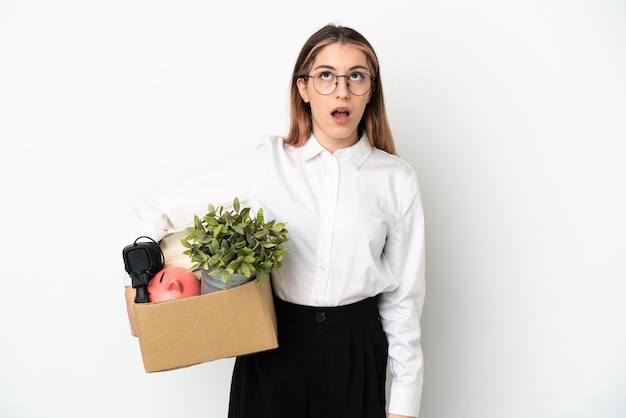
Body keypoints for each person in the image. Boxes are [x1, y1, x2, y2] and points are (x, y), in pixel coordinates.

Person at [124, 24, 425, 418]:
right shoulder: (267, 164)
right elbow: (156, 206)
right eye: (325, 76)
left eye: (356, 76)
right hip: (274, 346)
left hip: (355, 353)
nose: (341, 90)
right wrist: (139, 283)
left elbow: (404, 303)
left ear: (371, 89)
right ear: (303, 88)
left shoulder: (397, 180)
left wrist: (404, 406)